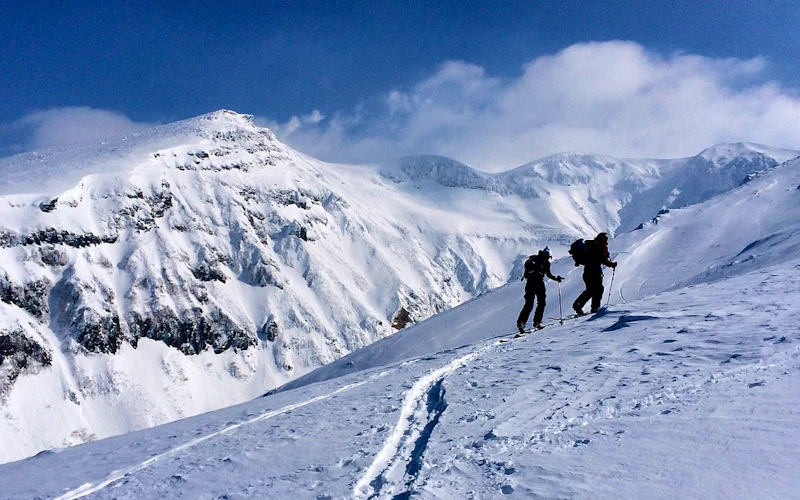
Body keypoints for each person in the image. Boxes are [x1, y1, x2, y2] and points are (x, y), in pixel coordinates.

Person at [517, 247, 563, 333]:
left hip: (530, 284)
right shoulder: (546, 263)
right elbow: (548, 274)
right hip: (539, 284)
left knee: (529, 304)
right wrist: (556, 279)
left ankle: (521, 323)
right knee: (541, 303)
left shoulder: (535, 259)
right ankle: (537, 322)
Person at [573, 232, 617, 316]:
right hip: (595, 271)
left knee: (591, 290)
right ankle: (594, 308)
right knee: (598, 289)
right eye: (606, 239)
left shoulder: (591, 246)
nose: (607, 240)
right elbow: (603, 259)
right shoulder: (600, 247)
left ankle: (579, 305)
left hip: (587, 271)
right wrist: (612, 265)